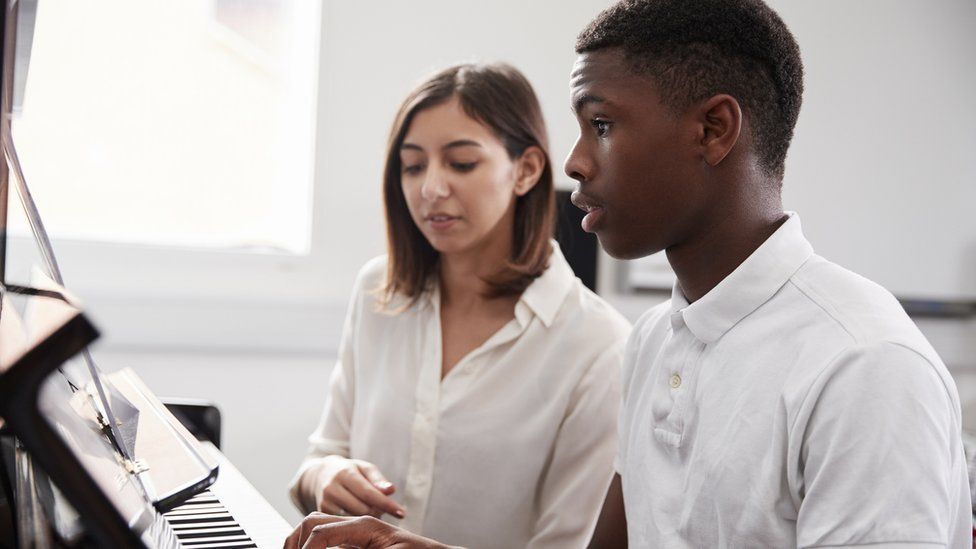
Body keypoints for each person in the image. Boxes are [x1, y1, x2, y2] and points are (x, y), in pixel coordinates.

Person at [285, 0, 973, 547]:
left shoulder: (865, 366)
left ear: (713, 130)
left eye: (602, 124)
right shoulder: (656, 341)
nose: (577, 162)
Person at [287, 62, 631, 549]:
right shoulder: (377, 292)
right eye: (412, 166)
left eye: (461, 163)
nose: (430, 188)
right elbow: (317, 460)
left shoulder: (599, 346)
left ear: (527, 170)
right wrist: (327, 476)